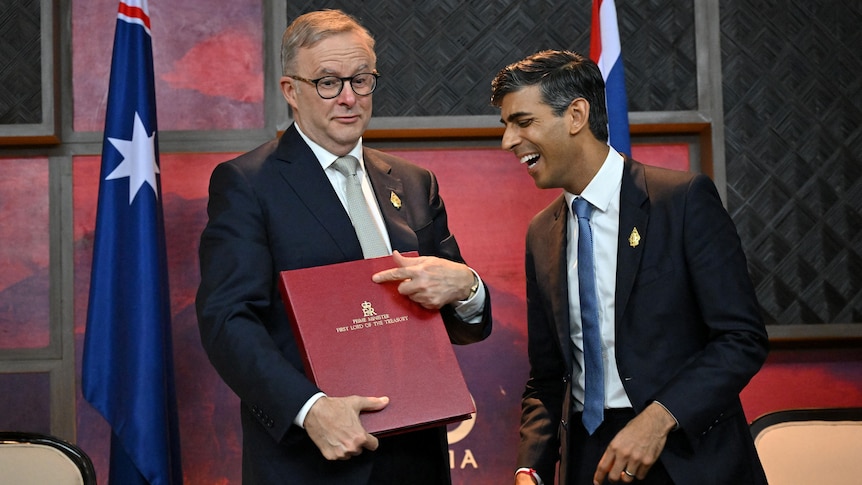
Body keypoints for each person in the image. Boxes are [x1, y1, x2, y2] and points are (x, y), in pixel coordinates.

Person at [195, 9, 492, 484]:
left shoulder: (415, 184)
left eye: (362, 79)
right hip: (311, 459)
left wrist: (469, 288)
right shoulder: (248, 184)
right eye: (328, 82)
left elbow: (460, 321)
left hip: (417, 458)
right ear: (291, 91)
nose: (349, 98)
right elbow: (227, 320)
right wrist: (309, 409)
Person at [490, 50, 768, 485]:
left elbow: (741, 338)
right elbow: (547, 376)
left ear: (576, 114)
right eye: (506, 126)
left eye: (523, 122)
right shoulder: (541, 232)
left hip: (686, 457)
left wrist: (660, 418)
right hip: (590, 464)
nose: (508, 140)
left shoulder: (681, 200)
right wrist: (532, 465)